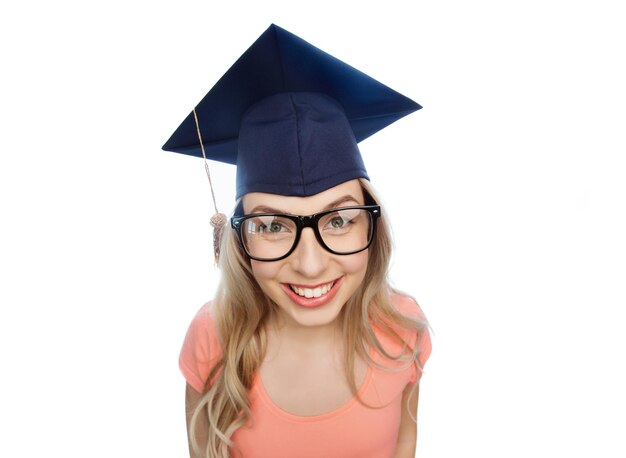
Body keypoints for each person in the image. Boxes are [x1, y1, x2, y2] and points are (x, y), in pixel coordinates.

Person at [163, 24, 432, 458]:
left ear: (373, 228)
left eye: (340, 220)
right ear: (236, 238)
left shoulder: (402, 329)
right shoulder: (214, 339)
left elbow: (403, 442)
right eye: (271, 226)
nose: (310, 265)